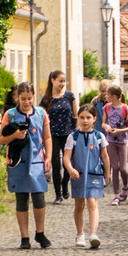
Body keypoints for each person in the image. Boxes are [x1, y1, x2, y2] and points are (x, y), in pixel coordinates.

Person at [0, 81, 52, 249]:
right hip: (17, 162)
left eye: (29, 98)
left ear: (33, 97)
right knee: (21, 199)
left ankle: (40, 232)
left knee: (39, 197)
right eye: (23, 99)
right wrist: (15, 135)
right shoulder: (11, 115)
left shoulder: (41, 113)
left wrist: (48, 158)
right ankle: (24, 237)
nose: (26, 102)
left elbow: (48, 138)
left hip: (37, 161)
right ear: (17, 98)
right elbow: (1, 139)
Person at [65, 104, 107, 248]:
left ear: (94, 119)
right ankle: (80, 234)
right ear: (78, 118)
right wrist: (70, 169)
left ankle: (93, 234)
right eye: (82, 117)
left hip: (94, 174)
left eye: (88, 117)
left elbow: (105, 156)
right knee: (79, 204)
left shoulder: (99, 136)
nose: (85, 120)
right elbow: (66, 157)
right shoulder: (73, 137)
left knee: (92, 202)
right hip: (78, 175)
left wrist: (107, 174)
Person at [39, 70, 77, 203]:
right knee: (56, 164)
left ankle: (65, 185)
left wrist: (76, 132)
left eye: (64, 81)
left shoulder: (69, 96)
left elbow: (75, 115)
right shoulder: (46, 99)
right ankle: (58, 194)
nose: (62, 84)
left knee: (68, 163)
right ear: (52, 80)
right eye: (60, 81)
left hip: (68, 133)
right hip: (53, 135)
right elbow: (42, 117)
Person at [100, 82, 128, 202]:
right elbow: (103, 122)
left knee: (123, 169)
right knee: (115, 167)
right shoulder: (106, 107)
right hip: (110, 141)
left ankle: (125, 186)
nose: (105, 96)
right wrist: (106, 127)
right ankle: (116, 195)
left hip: (122, 141)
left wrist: (119, 131)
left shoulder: (125, 108)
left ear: (114, 96)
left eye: (107, 94)